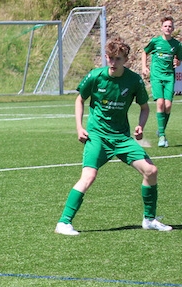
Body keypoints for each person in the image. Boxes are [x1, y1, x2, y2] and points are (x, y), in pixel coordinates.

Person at [55, 37, 171, 236]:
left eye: (118, 59)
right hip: (98, 136)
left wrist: (140, 126)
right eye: (110, 58)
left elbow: (144, 107)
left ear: (126, 60)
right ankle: (63, 223)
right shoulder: (95, 76)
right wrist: (79, 127)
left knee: (151, 171)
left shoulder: (134, 80)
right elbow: (79, 99)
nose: (113, 62)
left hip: (122, 138)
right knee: (88, 176)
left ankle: (149, 219)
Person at [142, 16, 182, 147]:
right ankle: (162, 137)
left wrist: (177, 62)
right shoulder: (155, 42)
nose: (168, 28)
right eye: (165, 26)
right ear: (161, 28)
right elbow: (144, 52)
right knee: (160, 103)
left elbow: (179, 59)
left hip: (169, 76)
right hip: (157, 76)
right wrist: (144, 67)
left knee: (168, 105)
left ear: (173, 28)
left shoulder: (176, 44)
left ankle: (161, 130)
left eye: (170, 26)